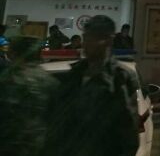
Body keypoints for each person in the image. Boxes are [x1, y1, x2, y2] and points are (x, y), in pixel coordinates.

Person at [45, 15, 139, 156]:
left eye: (93, 38)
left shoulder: (120, 78)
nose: (86, 44)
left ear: (109, 40)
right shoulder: (74, 74)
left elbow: (128, 135)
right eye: (85, 37)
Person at [0, 35, 59, 156]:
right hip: (39, 142)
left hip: (11, 144)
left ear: (13, 54)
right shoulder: (51, 80)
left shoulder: (10, 79)